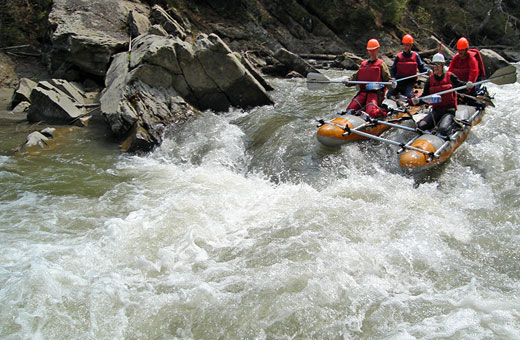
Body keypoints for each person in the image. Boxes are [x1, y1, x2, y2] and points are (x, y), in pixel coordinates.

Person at [412, 53, 473, 139]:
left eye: (438, 64)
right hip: (436, 111)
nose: (436, 67)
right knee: (421, 126)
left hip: (449, 111)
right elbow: (425, 97)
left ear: (442, 65)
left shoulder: (450, 76)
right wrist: (417, 100)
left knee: (443, 130)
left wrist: (467, 85)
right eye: (434, 64)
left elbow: (461, 87)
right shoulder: (430, 80)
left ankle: (454, 125)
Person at [344, 38, 395, 119]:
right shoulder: (363, 64)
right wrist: (347, 81)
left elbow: (387, 80)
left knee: (372, 113)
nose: (372, 52)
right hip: (363, 93)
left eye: (373, 50)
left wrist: (392, 84)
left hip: (375, 94)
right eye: (370, 50)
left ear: (377, 49)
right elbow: (354, 78)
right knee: (350, 109)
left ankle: (384, 111)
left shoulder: (381, 64)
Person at [387, 34, 430, 99]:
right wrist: (393, 78)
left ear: (411, 45)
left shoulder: (415, 56)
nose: (405, 47)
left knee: (409, 97)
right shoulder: (399, 56)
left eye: (407, 45)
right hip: (399, 82)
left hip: (410, 83)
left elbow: (422, 68)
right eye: (404, 45)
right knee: (388, 95)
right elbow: (393, 70)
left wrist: (428, 71)